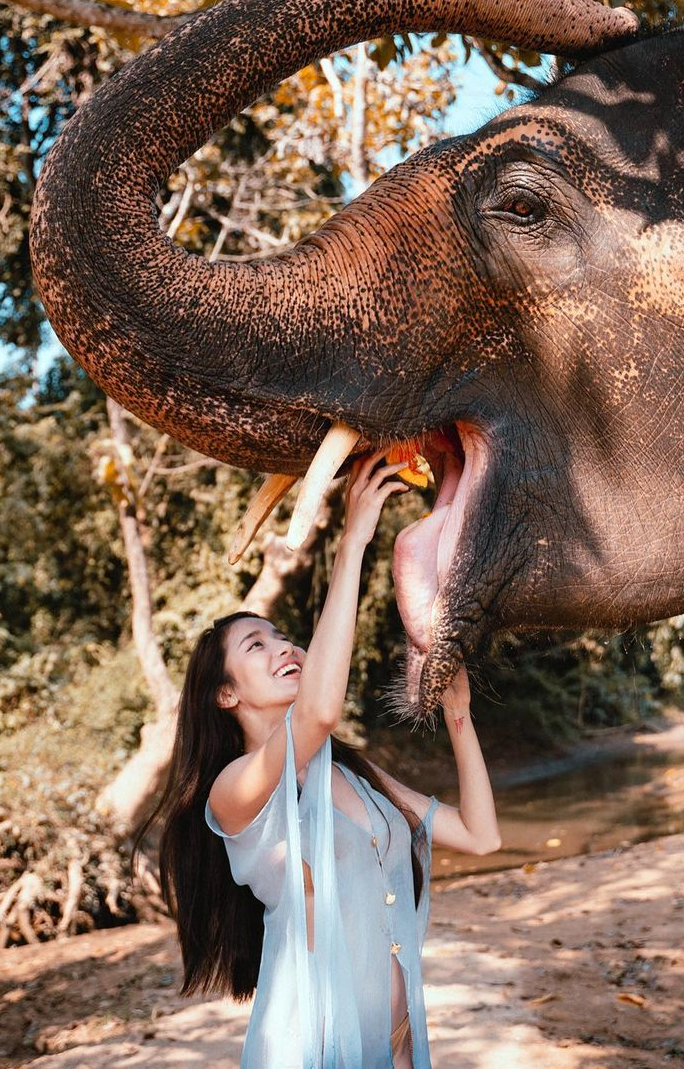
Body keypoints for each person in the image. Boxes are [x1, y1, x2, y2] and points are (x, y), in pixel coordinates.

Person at [142, 447, 502, 1068]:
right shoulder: (233, 792)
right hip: (308, 1047)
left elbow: (481, 837)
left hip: (396, 1045)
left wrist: (459, 720)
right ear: (225, 694)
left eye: (285, 637)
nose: (284, 648)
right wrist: (353, 542)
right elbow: (317, 714)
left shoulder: (351, 774)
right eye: (257, 645)